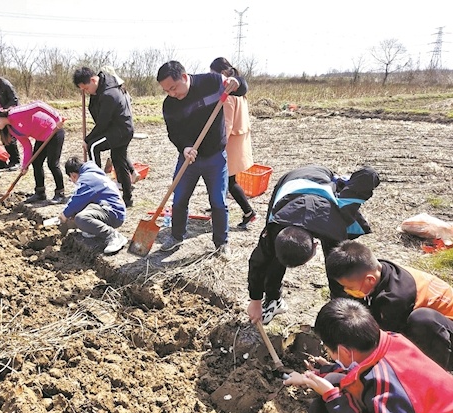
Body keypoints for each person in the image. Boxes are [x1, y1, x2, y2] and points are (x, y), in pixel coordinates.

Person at [284, 298, 453, 413]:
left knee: (321, 412)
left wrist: (333, 398)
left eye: (329, 350)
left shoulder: (383, 387)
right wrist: (329, 371)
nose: (330, 355)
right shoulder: (392, 340)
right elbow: (362, 369)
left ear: (343, 352)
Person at [246, 164, 380, 324]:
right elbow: (258, 263)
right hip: (288, 185)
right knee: (275, 256)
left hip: (320, 179)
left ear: (315, 246)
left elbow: (369, 173)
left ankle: (340, 308)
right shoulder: (275, 228)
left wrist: (348, 187)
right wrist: (255, 300)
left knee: (336, 259)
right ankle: (274, 300)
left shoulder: (336, 219)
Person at [156, 60, 247, 255]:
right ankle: (176, 236)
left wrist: (236, 83)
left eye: (173, 88)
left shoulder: (212, 82)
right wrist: (185, 147)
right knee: (179, 199)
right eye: (167, 91)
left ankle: (221, 244)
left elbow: (241, 88)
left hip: (215, 157)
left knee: (218, 202)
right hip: (189, 158)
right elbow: (174, 132)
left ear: (184, 77)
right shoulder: (170, 105)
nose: (172, 94)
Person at [325, 239, 453, 370]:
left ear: (370, 279)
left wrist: (349, 368)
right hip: (433, 328)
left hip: (446, 337)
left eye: (349, 287)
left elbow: (382, 344)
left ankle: (432, 375)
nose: (347, 291)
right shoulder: (376, 270)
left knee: (421, 319)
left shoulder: (395, 299)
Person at [72, 66, 136, 207]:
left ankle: (97, 187)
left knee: (94, 146)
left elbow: (102, 123)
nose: (86, 92)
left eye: (86, 88)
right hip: (119, 128)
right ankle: (127, 198)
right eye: (82, 90)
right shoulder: (102, 88)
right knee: (119, 161)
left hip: (120, 130)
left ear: (93, 80)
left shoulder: (109, 94)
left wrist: (87, 140)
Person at [0, 101, 66, 203]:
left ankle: (60, 193)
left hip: (54, 131)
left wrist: (58, 119)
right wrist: (25, 165)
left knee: (52, 164)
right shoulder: (11, 129)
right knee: (36, 162)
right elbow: (27, 146)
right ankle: (40, 193)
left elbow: (38, 105)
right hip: (41, 138)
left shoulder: (16, 113)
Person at [209, 57, 257, 230]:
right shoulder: (238, 90)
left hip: (229, 143)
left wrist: (218, 145)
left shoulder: (228, 94)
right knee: (225, 179)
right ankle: (217, 206)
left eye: (214, 75)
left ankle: (248, 212)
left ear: (222, 74)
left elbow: (226, 124)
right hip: (238, 140)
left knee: (227, 180)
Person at [59, 156, 128, 255]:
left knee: (81, 218)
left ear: (73, 175)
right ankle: (92, 229)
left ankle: (112, 236)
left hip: (113, 213)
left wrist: (64, 215)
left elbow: (77, 200)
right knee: (78, 216)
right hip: (109, 208)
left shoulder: (87, 180)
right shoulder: (93, 173)